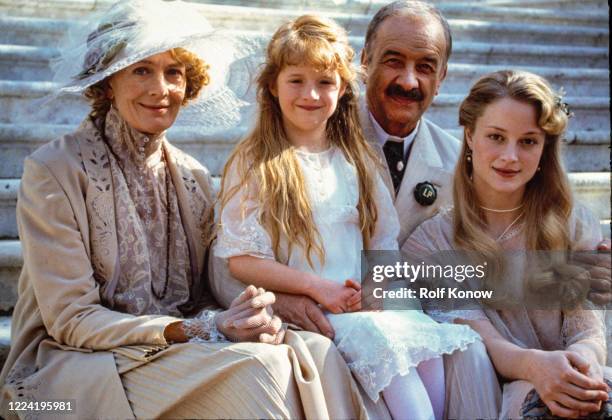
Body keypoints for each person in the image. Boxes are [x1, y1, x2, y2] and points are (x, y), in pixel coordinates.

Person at [0, 1, 371, 418]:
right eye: (141, 69)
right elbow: (72, 319)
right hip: (78, 361)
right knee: (260, 368)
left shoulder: (192, 176)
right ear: (107, 82)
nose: (161, 89)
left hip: (174, 350)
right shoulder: (54, 171)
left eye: (174, 72)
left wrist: (278, 305)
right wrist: (203, 329)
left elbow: (215, 285)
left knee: (313, 350)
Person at [213, 14, 480, 420]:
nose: (312, 94)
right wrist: (313, 292)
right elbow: (238, 259)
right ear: (272, 84)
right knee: (402, 376)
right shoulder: (257, 162)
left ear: (342, 87)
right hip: (316, 307)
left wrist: (376, 285)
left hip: (364, 302)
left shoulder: (356, 158)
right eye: (296, 81)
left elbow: (383, 242)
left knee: (431, 351)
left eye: (325, 82)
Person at [403, 69, 611, 419]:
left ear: (545, 148)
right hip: (493, 393)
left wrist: (582, 365)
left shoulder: (574, 224)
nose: (510, 157)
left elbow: (588, 329)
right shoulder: (430, 244)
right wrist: (539, 369)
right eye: (496, 137)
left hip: (575, 382)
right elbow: (486, 343)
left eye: (528, 141)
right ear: (469, 136)